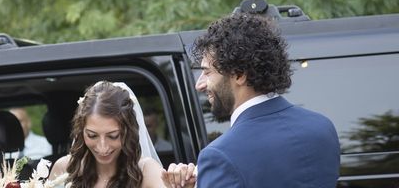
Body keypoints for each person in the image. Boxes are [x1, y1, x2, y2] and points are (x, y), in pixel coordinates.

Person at [162, 13, 340, 188]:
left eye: (208, 72)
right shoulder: (322, 127)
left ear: (239, 74)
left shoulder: (220, 156)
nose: (199, 85)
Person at [49, 81, 196, 188]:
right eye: (92, 135)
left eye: (113, 136)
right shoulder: (64, 168)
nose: (102, 147)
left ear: (128, 131)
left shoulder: (146, 170)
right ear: (81, 132)